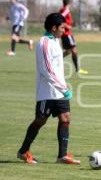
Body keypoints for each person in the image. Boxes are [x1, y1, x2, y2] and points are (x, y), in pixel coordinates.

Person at [17, 13, 80, 164]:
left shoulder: (55, 41)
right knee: (40, 121)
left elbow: (54, 62)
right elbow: (46, 70)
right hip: (47, 91)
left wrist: (66, 53)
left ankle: (62, 156)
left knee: (65, 118)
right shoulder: (44, 42)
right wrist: (63, 88)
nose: (64, 30)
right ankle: (23, 151)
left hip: (60, 89)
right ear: (54, 28)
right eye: (62, 27)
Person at [59, 0, 88, 74]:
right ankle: (78, 69)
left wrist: (68, 24)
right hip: (67, 34)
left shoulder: (63, 9)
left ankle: (54, 61)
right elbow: (60, 18)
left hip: (66, 34)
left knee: (68, 51)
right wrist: (66, 26)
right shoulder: (66, 9)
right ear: (69, 4)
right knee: (74, 50)